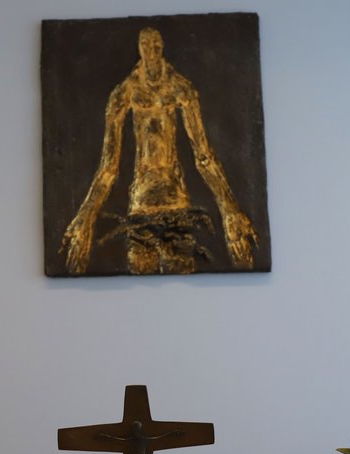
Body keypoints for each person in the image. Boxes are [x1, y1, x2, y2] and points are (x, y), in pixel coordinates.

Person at [61, 27, 258, 275]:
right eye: (146, 45)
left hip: (176, 201)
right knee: (141, 277)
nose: (152, 51)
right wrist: (85, 218)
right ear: (139, 49)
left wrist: (230, 209)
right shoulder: (125, 93)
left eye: (156, 45)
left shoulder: (180, 88)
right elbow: (108, 167)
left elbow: (204, 157)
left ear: (162, 47)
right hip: (141, 204)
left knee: (181, 280)